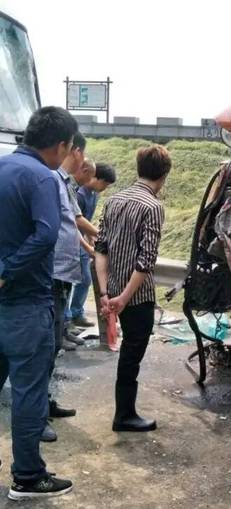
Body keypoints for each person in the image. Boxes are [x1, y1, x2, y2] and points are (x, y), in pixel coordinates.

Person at [0, 106, 75, 500]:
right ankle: (27, 477)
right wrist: (7, 269)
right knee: (29, 392)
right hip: (25, 305)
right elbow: (47, 236)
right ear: (61, 144)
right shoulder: (42, 178)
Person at [95, 145, 171, 432]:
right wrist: (125, 298)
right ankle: (124, 415)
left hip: (111, 288)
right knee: (132, 353)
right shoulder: (152, 207)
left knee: (128, 352)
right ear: (164, 174)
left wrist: (106, 294)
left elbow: (100, 248)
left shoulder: (114, 201)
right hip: (135, 296)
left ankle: (124, 412)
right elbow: (146, 261)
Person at [44, 135, 94, 443]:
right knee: (43, 350)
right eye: (81, 153)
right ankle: (36, 417)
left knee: (52, 348)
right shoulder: (49, 180)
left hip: (61, 277)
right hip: (49, 277)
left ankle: (44, 403)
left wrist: (93, 241)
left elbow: (72, 222)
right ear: (72, 150)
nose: (81, 160)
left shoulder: (65, 184)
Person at [68, 163, 117, 328]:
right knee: (71, 280)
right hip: (72, 240)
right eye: (104, 183)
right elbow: (75, 222)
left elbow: (86, 221)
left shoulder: (94, 195)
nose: (104, 188)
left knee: (84, 279)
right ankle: (68, 319)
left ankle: (75, 314)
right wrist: (93, 242)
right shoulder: (79, 194)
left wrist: (92, 240)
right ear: (95, 177)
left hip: (82, 239)